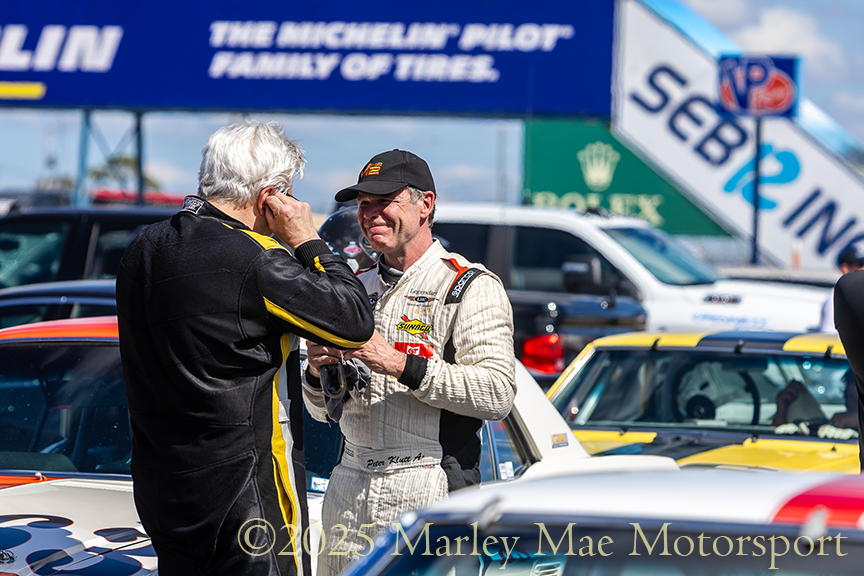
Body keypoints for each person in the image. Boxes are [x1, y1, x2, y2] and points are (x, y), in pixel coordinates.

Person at [116, 121, 375, 576]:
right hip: (245, 494)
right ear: (271, 196)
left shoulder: (145, 247)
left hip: (162, 487)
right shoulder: (259, 259)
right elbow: (353, 323)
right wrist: (306, 239)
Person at [303, 149, 517, 575]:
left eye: (385, 201)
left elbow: (497, 395)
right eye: (363, 203)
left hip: (430, 483)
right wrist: (316, 373)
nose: (371, 213)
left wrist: (399, 364)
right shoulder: (351, 288)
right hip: (347, 483)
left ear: (426, 205)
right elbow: (319, 412)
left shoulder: (467, 285)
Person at [820, 245, 864, 333]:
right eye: (859, 265)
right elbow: (827, 336)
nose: (863, 268)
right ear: (845, 269)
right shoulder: (835, 299)